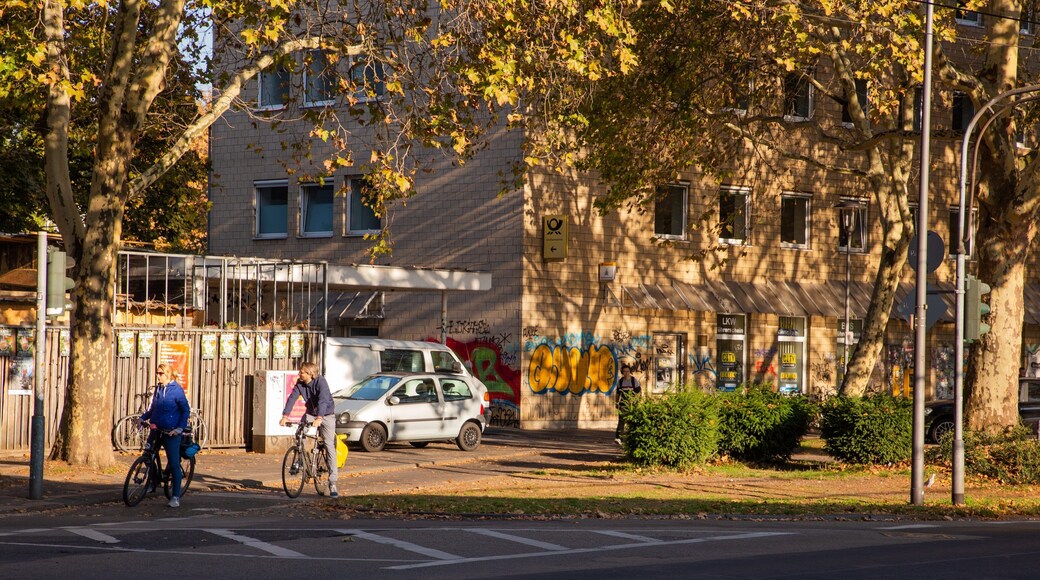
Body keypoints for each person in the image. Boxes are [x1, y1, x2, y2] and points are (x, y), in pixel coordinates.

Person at [280, 362, 338, 497]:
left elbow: (323, 400)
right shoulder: (300, 383)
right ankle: (300, 459)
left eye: (302, 372)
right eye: (299, 372)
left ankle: (333, 482)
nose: (299, 374)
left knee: (329, 445)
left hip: (326, 414)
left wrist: (319, 418)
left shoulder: (321, 382)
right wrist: (285, 416)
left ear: (310, 374)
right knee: (300, 432)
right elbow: (292, 398)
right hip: (311, 413)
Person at [140, 363, 190, 507]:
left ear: (168, 374)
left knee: (174, 463)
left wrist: (179, 428)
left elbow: (185, 410)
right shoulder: (159, 390)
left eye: (161, 373)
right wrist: (143, 418)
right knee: (147, 456)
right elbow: (153, 408)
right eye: (157, 372)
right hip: (156, 430)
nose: (158, 375)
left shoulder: (177, 391)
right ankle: (153, 481)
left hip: (171, 432)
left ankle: (175, 496)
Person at [614, 365, 641, 444]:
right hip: (623, 403)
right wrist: (617, 403)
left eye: (628, 371)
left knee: (633, 420)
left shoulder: (634, 380)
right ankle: (618, 437)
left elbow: (638, 392)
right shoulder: (620, 381)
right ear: (622, 372)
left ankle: (633, 437)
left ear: (630, 372)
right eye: (624, 371)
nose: (626, 373)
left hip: (632, 404)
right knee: (621, 420)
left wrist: (633, 399)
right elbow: (618, 394)